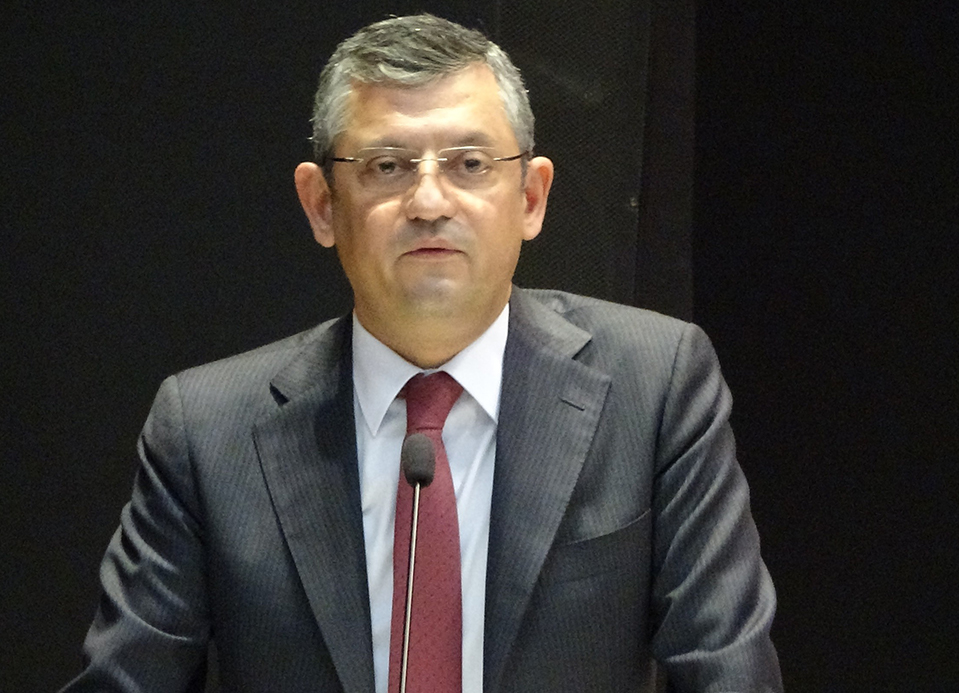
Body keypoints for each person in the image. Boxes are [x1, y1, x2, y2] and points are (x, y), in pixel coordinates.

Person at [61, 13, 781, 693]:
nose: (430, 202)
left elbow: (729, 674)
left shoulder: (654, 387)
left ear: (531, 197)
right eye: (387, 166)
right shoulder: (207, 430)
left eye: (469, 163)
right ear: (321, 204)